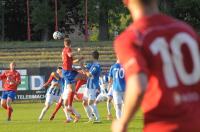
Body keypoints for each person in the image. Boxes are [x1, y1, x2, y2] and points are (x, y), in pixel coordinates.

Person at [112, 0, 200, 132]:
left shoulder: (131, 37)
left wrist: (122, 122)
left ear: (126, 2)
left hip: (163, 125)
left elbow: (138, 87)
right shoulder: (187, 31)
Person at [61, 37, 84, 120]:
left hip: (68, 71)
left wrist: (79, 59)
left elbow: (72, 60)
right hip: (68, 72)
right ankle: (70, 106)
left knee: (72, 90)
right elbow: (70, 55)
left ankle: (70, 107)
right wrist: (77, 51)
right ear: (70, 44)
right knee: (84, 77)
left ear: (64, 43)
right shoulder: (68, 49)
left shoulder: (64, 50)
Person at [81, 50, 101, 123]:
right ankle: (90, 118)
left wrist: (85, 71)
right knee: (84, 103)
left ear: (92, 57)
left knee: (90, 103)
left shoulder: (96, 66)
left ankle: (98, 119)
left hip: (93, 87)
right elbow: (84, 69)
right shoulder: (91, 65)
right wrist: (81, 63)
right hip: (88, 87)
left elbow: (89, 74)